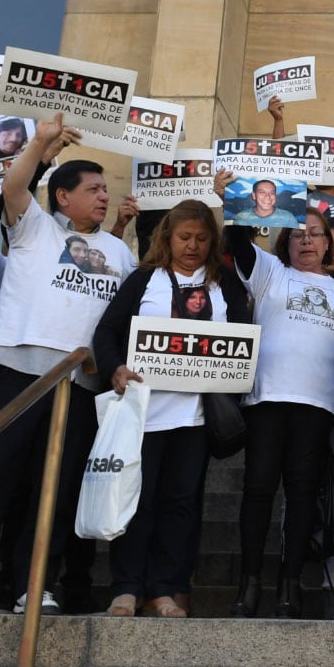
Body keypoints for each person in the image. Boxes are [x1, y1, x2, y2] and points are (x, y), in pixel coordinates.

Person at [0, 114, 133, 616]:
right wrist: (41, 142)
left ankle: (32, 584)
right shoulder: (33, 228)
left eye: (106, 190)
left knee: (56, 491)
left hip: (80, 388)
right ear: (63, 197)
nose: (104, 197)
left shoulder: (118, 252)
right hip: (19, 374)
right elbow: (16, 185)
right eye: (93, 189)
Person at [91, 201, 243, 618]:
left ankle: (164, 590)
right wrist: (114, 368)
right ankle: (126, 587)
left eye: (201, 238)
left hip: (194, 416)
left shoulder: (224, 282)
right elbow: (106, 330)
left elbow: (244, 337)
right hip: (143, 412)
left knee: (181, 503)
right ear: (167, 237)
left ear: (212, 241)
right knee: (135, 499)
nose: (192, 245)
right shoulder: (144, 279)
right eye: (184, 237)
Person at [224, 174, 334, 619]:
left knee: (302, 494)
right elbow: (239, 242)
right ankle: (249, 586)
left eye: (315, 235)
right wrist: (236, 195)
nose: (305, 242)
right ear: (287, 242)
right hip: (266, 399)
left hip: (318, 405)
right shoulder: (270, 273)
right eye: (298, 235)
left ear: (329, 245)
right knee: (258, 489)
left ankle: (290, 586)